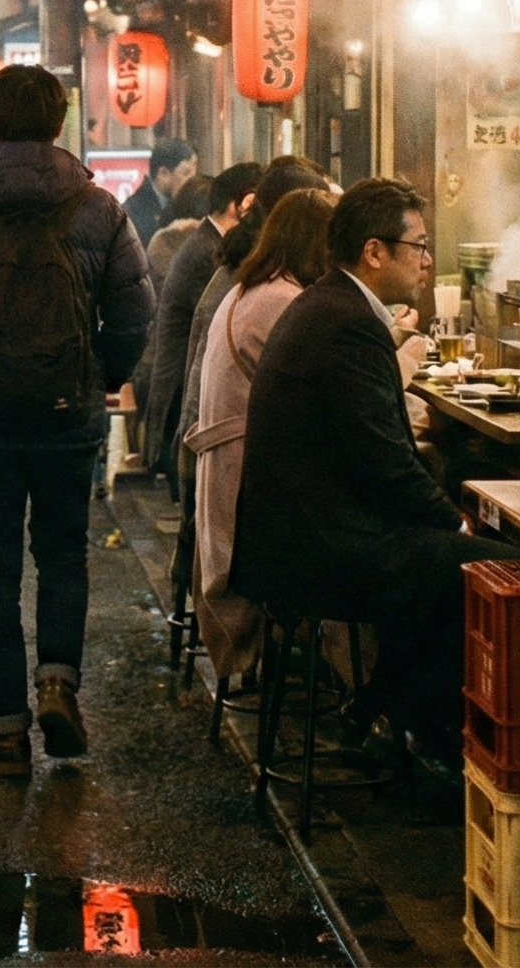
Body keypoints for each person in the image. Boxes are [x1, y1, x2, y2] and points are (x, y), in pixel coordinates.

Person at [0, 65, 152, 777]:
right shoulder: (97, 207)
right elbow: (135, 309)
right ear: (60, 123)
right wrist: (97, 376)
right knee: (64, 555)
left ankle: (7, 731)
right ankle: (58, 683)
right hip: (67, 414)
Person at [232, 177, 516, 770]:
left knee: (442, 554)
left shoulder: (330, 304)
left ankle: (383, 712)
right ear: (374, 251)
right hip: (316, 546)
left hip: (297, 533)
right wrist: (455, 524)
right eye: (418, 245)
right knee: (478, 570)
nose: (426, 259)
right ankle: (425, 740)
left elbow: (377, 454)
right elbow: (385, 463)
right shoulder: (349, 322)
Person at [184, 187, 338, 680]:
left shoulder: (252, 289)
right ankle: (372, 691)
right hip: (258, 513)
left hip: (237, 490)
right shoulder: (283, 301)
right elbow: (338, 396)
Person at [141, 161, 262, 480]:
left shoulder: (205, 242)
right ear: (243, 205)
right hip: (181, 401)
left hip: (180, 396)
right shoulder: (209, 251)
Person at [123, 137, 198, 247]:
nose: (193, 180)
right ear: (163, 173)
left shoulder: (186, 204)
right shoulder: (134, 212)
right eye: (186, 173)